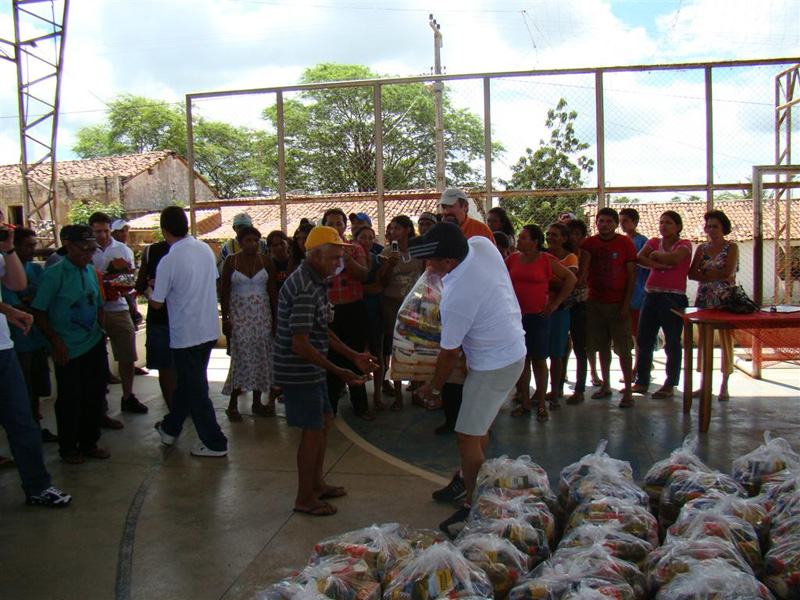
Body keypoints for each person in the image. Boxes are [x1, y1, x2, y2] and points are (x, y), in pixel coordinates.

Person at [410, 222, 526, 536]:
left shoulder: (457, 297)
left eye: (431, 260)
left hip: (495, 365)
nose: (427, 265)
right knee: (478, 427)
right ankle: (471, 475)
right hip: (510, 347)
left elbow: (449, 355)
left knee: (465, 435)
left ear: (448, 262)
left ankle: (473, 506)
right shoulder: (482, 246)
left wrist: (433, 389)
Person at [273, 225, 378, 516]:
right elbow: (300, 344)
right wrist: (339, 370)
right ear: (315, 255)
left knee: (325, 421)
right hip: (300, 369)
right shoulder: (306, 288)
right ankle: (304, 497)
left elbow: (322, 331)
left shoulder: (317, 280)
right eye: (334, 257)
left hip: (312, 366)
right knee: (312, 431)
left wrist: (353, 356)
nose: (338, 263)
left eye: (340, 257)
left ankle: (317, 484)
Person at [0, 220, 72, 507]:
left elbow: (16, 284)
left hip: (4, 349)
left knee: (23, 421)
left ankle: (38, 487)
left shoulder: (3, 253)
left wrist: (7, 249)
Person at [148, 207, 228, 458]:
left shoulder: (169, 260)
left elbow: (158, 303)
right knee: (187, 384)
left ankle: (215, 442)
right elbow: (211, 279)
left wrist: (149, 291)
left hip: (185, 335)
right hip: (207, 330)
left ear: (164, 231)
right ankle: (170, 429)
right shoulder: (204, 249)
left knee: (196, 389)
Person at [31, 225, 111, 463]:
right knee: (70, 399)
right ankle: (69, 448)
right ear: (69, 247)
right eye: (84, 250)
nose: (89, 255)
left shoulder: (90, 271)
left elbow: (98, 303)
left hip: (93, 342)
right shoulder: (54, 274)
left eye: (92, 250)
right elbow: (39, 311)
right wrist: (56, 342)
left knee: (95, 395)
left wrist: (102, 330)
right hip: (67, 347)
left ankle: (89, 443)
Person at [435, 188, 497, 439]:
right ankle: (452, 420)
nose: (446, 212)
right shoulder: (439, 232)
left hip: (477, 308)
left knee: (477, 367)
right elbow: (432, 268)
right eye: (443, 208)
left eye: (451, 207)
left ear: (463, 206)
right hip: (449, 305)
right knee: (451, 361)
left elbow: (493, 268)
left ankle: (481, 424)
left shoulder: (481, 232)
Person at [506, 225, 576, 421]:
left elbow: (571, 278)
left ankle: (542, 405)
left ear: (535, 242)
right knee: (522, 360)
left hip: (538, 317)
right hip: (516, 318)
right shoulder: (512, 259)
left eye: (523, 238)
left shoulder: (546, 260)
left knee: (539, 360)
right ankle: (526, 403)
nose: (519, 241)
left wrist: (555, 304)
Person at [578, 208, 638, 408]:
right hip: (595, 302)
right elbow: (583, 271)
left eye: (608, 221)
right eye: (600, 221)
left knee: (623, 348)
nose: (604, 224)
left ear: (615, 224)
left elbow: (631, 274)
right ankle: (605, 384)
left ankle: (628, 390)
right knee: (601, 347)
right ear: (596, 223)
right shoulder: (589, 244)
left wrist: (625, 304)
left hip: (618, 303)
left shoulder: (625, 243)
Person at [1, 228, 56, 442]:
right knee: (23, 392)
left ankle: (34, 427)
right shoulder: (5, 269)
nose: (32, 250)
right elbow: (16, 303)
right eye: (28, 246)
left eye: (34, 245)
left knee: (36, 387)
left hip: (37, 339)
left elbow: (40, 298)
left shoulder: (34, 270)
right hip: (18, 342)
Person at [90, 212, 147, 415]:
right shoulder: (87, 251)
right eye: (98, 231)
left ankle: (127, 396)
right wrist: (104, 281)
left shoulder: (122, 249)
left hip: (118, 308)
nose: (102, 235)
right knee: (95, 357)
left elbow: (128, 281)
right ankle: (99, 403)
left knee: (126, 354)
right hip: (93, 311)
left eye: (105, 231)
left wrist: (114, 284)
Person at [220, 225, 279, 420]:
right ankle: (233, 404)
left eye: (256, 241)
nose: (253, 244)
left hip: (262, 315)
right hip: (240, 315)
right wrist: (226, 318)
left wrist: (276, 318)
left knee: (261, 356)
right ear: (239, 242)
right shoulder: (231, 261)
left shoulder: (266, 260)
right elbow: (224, 291)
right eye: (248, 240)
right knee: (242, 357)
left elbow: (272, 291)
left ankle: (256, 402)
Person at [633, 211, 692, 398]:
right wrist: (657, 264)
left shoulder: (685, 244)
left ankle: (669, 383)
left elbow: (675, 259)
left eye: (668, 223)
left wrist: (656, 255)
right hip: (651, 296)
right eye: (661, 222)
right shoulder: (652, 241)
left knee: (672, 342)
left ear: (678, 227)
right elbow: (639, 258)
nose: (663, 226)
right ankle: (642, 381)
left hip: (673, 298)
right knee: (644, 339)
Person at [322, 208, 374, 420]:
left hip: (353, 309)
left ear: (345, 227)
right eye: (331, 223)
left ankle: (360, 406)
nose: (336, 227)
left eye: (339, 223)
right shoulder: (320, 250)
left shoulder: (354, 247)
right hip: (329, 310)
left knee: (356, 357)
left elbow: (363, 275)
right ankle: (330, 407)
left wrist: (347, 258)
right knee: (331, 359)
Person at [688, 210, 739, 401]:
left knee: (726, 340)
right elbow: (692, 274)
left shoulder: (731, 247)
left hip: (725, 298)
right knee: (703, 341)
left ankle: (724, 385)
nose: (711, 229)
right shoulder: (701, 248)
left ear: (723, 227)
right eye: (708, 226)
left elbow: (728, 272)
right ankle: (704, 385)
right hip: (704, 298)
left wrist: (706, 273)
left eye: (715, 226)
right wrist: (715, 274)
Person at [134, 239, 174, 409]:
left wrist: (152, 289)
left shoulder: (151, 251)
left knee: (165, 368)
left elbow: (140, 284)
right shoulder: (198, 250)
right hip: (181, 319)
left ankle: (174, 410)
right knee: (186, 367)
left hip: (160, 319)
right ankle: (181, 409)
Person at [544, 222, 578, 407]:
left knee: (556, 353)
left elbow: (569, 283)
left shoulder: (570, 258)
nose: (550, 237)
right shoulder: (545, 256)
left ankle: (555, 390)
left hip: (559, 309)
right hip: (541, 308)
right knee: (540, 353)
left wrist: (543, 280)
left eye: (554, 234)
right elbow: (559, 282)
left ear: (564, 238)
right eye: (548, 234)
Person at [354, 225, 386, 411]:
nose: (366, 241)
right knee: (357, 351)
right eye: (363, 237)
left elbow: (379, 287)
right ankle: (359, 394)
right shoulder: (350, 258)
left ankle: (377, 394)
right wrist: (367, 289)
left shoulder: (377, 260)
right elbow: (372, 287)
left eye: (370, 237)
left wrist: (361, 290)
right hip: (357, 310)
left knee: (377, 351)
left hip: (374, 310)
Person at [563, 219, 592, 404]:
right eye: (570, 233)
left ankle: (580, 389)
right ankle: (557, 385)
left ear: (582, 236)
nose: (573, 237)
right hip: (561, 303)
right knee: (561, 347)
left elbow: (578, 280)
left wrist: (563, 280)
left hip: (578, 303)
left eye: (577, 234)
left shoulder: (584, 254)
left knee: (580, 347)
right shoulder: (559, 254)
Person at [619, 208, 649, 379]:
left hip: (637, 293)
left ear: (635, 222)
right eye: (621, 221)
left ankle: (637, 367)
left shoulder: (642, 241)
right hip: (623, 294)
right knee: (626, 334)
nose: (622, 224)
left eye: (626, 221)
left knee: (636, 334)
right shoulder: (621, 241)